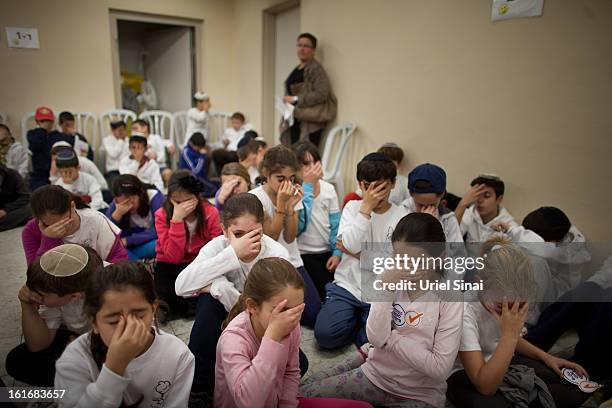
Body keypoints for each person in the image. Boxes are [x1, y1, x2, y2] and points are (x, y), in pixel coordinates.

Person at [302, 213, 464, 408]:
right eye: (399, 259)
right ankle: (364, 355)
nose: (405, 268)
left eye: (416, 262)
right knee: (302, 396)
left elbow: (439, 368)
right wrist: (385, 288)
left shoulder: (450, 298)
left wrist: (391, 338)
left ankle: (363, 354)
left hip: (421, 395)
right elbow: (376, 338)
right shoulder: (390, 279)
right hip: (376, 375)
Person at [446, 238, 590, 408]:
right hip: (468, 374)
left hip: (500, 358)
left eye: (519, 306)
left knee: (567, 384)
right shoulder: (463, 313)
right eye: (501, 308)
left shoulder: (502, 300)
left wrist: (547, 357)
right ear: (480, 283)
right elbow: (485, 386)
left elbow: (508, 336)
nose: (510, 313)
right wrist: (509, 335)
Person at [175, 193, 290, 399]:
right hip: (222, 322)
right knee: (207, 304)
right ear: (224, 230)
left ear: (262, 230)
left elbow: (262, 315)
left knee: (297, 362)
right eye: (238, 234)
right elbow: (180, 286)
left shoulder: (277, 254)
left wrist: (219, 287)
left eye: (254, 234)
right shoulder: (218, 246)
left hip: (260, 328)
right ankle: (199, 389)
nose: (246, 242)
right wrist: (232, 254)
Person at [215, 257, 371, 408]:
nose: (291, 318)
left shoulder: (290, 321)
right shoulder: (233, 339)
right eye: (282, 310)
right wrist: (272, 338)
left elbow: (291, 372)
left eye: (298, 309)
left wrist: (287, 404)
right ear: (252, 306)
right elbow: (249, 402)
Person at [54, 261, 195, 407]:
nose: (128, 327)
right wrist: (114, 368)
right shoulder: (75, 359)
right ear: (94, 322)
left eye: (139, 315)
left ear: (153, 310)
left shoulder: (178, 355)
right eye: (114, 321)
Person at [314, 153, 407, 350]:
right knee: (325, 336)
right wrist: (365, 209)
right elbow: (351, 243)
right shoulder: (352, 207)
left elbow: (392, 264)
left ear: (392, 184)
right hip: (347, 285)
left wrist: (358, 255)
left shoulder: (402, 216)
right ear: (360, 184)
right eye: (368, 187)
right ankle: (351, 317)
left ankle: (357, 321)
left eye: (381, 187)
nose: (375, 194)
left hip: (379, 292)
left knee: (374, 342)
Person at [6, 245, 102, 386]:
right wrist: (27, 306)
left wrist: (86, 349)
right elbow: (38, 345)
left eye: (41, 295)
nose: (34, 295)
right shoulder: (56, 288)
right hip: (79, 338)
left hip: (111, 345)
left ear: (75, 296)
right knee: (17, 361)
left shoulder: (113, 289)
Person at [249, 145, 321, 327]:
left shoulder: (290, 194)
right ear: (266, 173)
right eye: (280, 178)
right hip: (267, 262)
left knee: (313, 315)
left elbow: (290, 237)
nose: (286, 184)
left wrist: (290, 208)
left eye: (290, 178)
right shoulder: (256, 198)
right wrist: (281, 205)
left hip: (292, 260)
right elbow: (270, 238)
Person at [154, 170, 222, 318]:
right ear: (170, 198)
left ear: (197, 197)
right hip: (169, 264)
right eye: (178, 201)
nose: (183, 206)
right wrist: (177, 220)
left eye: (188, 200)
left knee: (212, 291)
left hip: (199, 261)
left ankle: (187, 306)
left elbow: (215, 250)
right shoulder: (162, 214)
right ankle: (180, 306)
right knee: (166, 294)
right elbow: (173, 257)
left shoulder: (211, 213)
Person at [493, 206, 591, 300]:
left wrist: (511, 230)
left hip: (551, 305)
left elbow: (539, 248)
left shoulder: (560, 253)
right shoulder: (565, 235)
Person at [21, 185, 127, 265]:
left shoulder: (95, 220)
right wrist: (48, 238)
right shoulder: (31, 230)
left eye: (64, 222)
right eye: (50, 225)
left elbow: (119, 259)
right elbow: (35, 274)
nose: (60, 228)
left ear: (72, 206)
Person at [294, 141, 342, 300]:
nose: (311, 168)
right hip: (304, 253)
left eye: (315, 162)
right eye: (305, 164)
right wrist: (307, 186)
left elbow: (336, 225)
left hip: (327, 252)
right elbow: (300, 226)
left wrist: (337, 253)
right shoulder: (295, 190)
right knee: (322, 294)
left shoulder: (328, 189)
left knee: (337, 290)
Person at [281, 33, 336, 147]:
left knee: (305, 157)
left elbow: (322, 93)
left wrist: (296, 99)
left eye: (306, 46)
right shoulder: (297, 68)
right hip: (295, 120)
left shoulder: (315, 69)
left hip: (309, 124)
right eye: (299, 45)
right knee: (293, 155)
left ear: (313, 50)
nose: (302, 49)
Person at [401, 163, 464, 244]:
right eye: (420, 205)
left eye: (432, 205)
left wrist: (435, 227)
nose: (426, 209)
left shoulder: (448, 218)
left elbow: (458, 254)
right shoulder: (401, 213)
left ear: (442, 194)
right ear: (411, 193)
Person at [106, 174, 164, 260]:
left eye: (132, 201)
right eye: (124, 203)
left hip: (145, 242)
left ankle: (137, 266)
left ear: (140, 193)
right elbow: (106, 234)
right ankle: (140, 266)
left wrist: (128, 240)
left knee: (159, 245)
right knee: (112, 248)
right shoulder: (117, 203)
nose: (129, 206)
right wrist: (117, 214)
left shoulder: (155, 198)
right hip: (127, 246)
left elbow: (159, 231)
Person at [455, 174, 518, 243]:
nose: (480, 200)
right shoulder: (469, 214)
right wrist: (463, 204)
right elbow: (447, 238)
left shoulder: (509, 225)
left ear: (499, 199)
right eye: (477, 195)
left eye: (486, 196)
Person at [27, 106, 72, 191]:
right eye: (42, 121)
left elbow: (70, 145)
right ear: (37, 122)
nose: (46, 123)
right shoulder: (33, 134)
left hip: (59, 174)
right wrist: (42, 130)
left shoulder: (57, 135)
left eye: (48, 121)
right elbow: (34, 146)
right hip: (39, 176)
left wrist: (71, 133)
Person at [132, 119, 174, 184]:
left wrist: (156, 157)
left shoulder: (155, 138)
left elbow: (162, 154)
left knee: (168, 173)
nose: (133, 132)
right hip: (143, 170)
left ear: (145, 128)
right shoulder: (133, 143)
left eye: (135, 128)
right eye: (133, 130)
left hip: (159, 166)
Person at [179, 132, 218, 197]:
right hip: (191, 179)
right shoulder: (186, 152)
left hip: (201, 178)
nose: (200, 149)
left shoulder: (196, 151)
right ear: (191, 143)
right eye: (198, 147)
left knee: (218, 186)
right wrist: (201, 157)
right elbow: (195, 171)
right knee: (214, 190)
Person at [0, 164, 32, 231]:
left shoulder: (13, 174)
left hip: (12, 208)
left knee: (30, 209)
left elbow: (25, 196)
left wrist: (6, 210)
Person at [102, 120, 130, 187]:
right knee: (116, 186)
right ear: (113, 130)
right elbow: (113, 154)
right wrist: (121, 140)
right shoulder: (107, 140)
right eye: (119, 130)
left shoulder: (128, 140)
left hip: (127, 169)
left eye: (123, 130)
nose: (122, 132)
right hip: (114, 170)